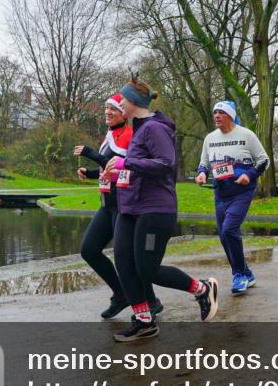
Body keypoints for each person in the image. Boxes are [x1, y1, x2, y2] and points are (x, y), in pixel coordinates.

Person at [102, 77, 219, 342]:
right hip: (130, 208)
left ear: (133, 102)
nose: (119, 104)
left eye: (123, 99)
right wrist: (118, 175)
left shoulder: (155, 128)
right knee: (124, 263)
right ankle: (144, 321)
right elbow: (139, 168)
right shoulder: (139, 129)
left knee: (147, 269)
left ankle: (202, 289)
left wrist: (125, 164)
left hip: (155, 210)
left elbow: (166, 164)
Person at [75, 93, 162, 320]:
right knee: (89, 250)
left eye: (113, 108)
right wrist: (91, 173)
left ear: (124, 113)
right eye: (106, 108)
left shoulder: (130, 135)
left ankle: (151, 301)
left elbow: (125, 167)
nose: (108, 112)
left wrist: (90, 153)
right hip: (107, 205)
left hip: (124, 205)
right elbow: (109, 169)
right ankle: (121, 294)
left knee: (129, 256)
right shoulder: (111, 135)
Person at [195, 100, 270, 295]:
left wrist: (249, 175)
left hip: (242, 191)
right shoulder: (210, 138)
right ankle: (246, 272)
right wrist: (202, 174)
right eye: (215, 113)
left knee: (229, 229)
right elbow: (204, 163)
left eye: (221, 113)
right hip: (221, 192)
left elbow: (264, 160)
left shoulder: (246, 135)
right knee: (224, 236)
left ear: (230, 115)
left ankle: (239, 275)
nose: (217, 116)